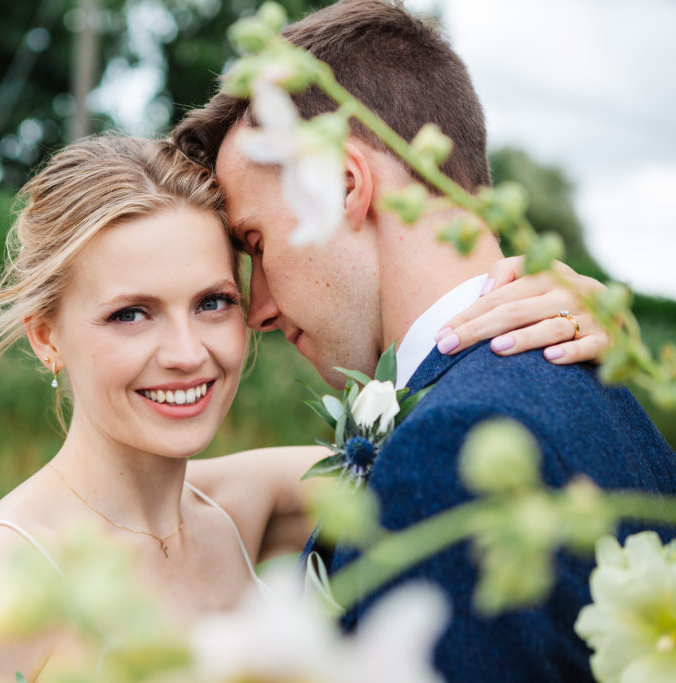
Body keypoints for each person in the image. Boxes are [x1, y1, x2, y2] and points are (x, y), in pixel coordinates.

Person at [0, 133, 610, 681]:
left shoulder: (250, 506)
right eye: (130, 315)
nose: (187, 351)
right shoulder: (0, 575)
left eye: (213, 302)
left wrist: (562, 303)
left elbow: (461, 458)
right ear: (47, 336)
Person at [172, 1, 676, 681]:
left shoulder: (453, 446)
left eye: (257, 244)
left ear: (343, 183)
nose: (256, 308)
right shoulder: (601, 387)